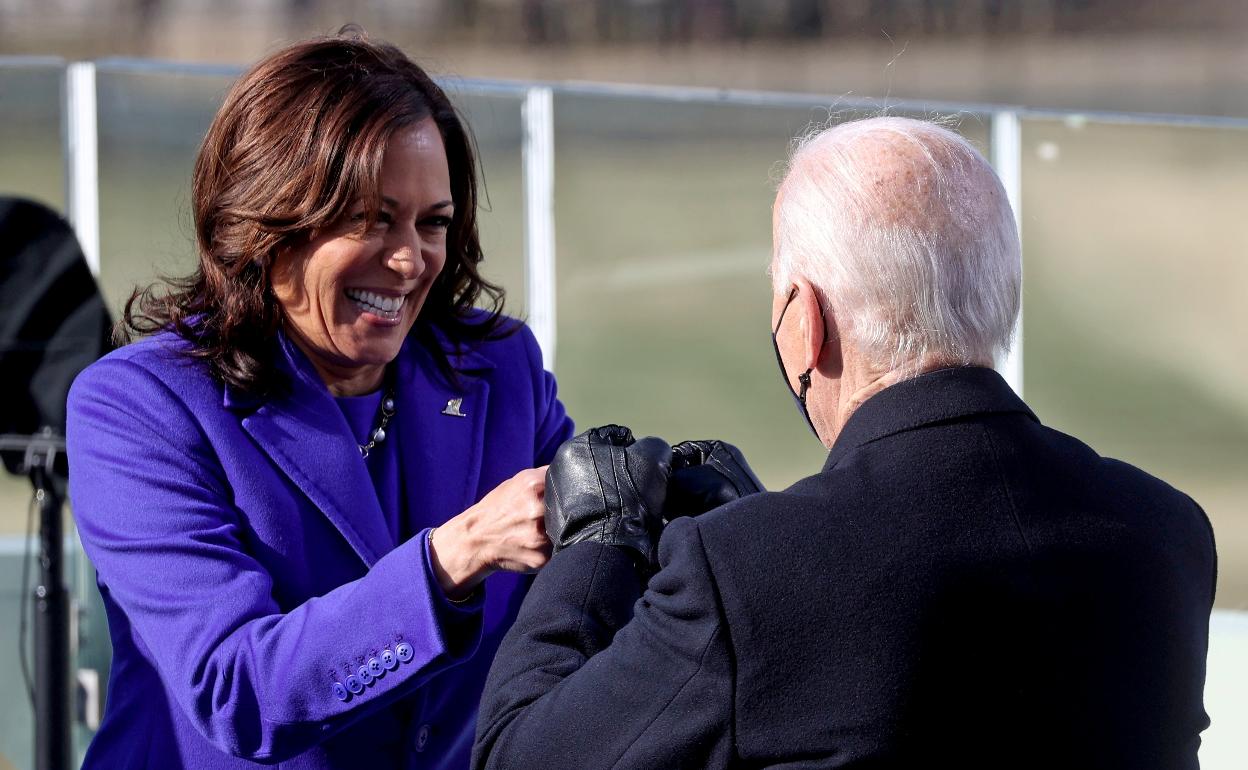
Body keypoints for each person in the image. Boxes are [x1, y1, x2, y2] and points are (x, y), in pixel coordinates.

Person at [472, 117, 1217, 769]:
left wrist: (600, 547)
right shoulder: (1166, 536)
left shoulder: (741, 575)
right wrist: (763, 530)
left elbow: (519, 754)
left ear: (805, 322)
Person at [66, 32, 573, 769]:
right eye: (371, 219)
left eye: (432, 222)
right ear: (267, 222)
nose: (409, 260)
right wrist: (449, 562)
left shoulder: (499, 369)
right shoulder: (137, 406)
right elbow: (235, 691)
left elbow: (593, 587)